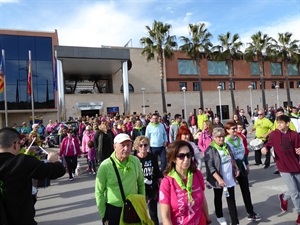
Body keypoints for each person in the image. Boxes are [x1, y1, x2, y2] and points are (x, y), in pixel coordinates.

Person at [0, 127, 65, 225]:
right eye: (19, 143)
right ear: (14, 144)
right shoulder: (21, 161)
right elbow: (57, 171)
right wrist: (54, 160)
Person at [95, 133, 145, 225]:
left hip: (133, 207)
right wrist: (103, 215)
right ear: (115, 146)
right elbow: (99, 192)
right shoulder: (105, 166)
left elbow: (141, 183)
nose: (126, 149)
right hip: (114, 210)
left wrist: (142, 205)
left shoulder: (135, 161)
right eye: (122, 145)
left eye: (128, 145)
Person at [159, 140, 211, 225]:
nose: (186, 159)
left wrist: (208, 219)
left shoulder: (197, 174)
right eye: (181, 156)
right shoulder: (167, 182)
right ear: (173, 159)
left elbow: (203, 200)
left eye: (188, 155)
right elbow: (166, 216)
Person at [261, 115, 300, 225]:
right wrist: (265, 148)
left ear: (287, 123)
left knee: (297, 190)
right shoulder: (274, 134)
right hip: (283, 167)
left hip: (296, 166)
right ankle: (299, 214)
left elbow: (299, 147)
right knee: (295, 193)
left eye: (281, 123)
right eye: (278, 123)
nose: (279, 125)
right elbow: (269, 144)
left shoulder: (295, 135)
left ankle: (284, 196)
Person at [224, 122, 261, 221]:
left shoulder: (240, 139)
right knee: (231, 194)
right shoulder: (225, 141)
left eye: (235, 128)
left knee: (246, 191)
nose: (235, 130)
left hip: (242, 166)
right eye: (232, 129)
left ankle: (250, 212)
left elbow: (243, 153)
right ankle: (233, 214)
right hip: (231, 168)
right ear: (227, 130)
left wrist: (247, 165)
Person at [204, 127, 240, 225]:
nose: (221, 139)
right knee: (218, 197)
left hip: (229, 177)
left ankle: (235, 221)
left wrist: (236, 167)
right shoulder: (210, 149)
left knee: (231, 199)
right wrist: (219, 179)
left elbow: (231, 158)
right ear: (214, 138)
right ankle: (220, 216)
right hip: (218, 179)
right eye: (218, 137)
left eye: (222, 137)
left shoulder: (226, 146)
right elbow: (210, 167)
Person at [134, 136, 163, 225]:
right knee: (140, 213)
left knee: (153, 213)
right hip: (139, 189)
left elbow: (157, 172)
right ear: (137, 146)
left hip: (152, 188)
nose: (143, 147)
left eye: (145, 145)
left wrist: (161, 186)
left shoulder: (152, 157)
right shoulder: (134, 159)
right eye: (141, 145)